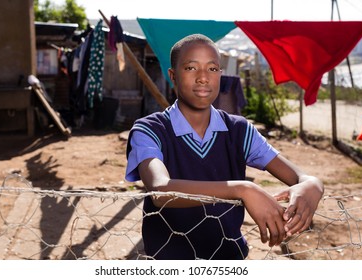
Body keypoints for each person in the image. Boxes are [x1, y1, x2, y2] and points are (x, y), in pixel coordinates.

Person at [125, 34, 324, 260]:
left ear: (220, 74)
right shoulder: (149, 130)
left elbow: (301, 177)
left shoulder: (239, 130)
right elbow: (161, 190)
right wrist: (243, 189)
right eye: (191, 68)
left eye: (212, 69)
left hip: (230, 260)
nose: (203, 78)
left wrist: (313, 185)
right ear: (173, 76)